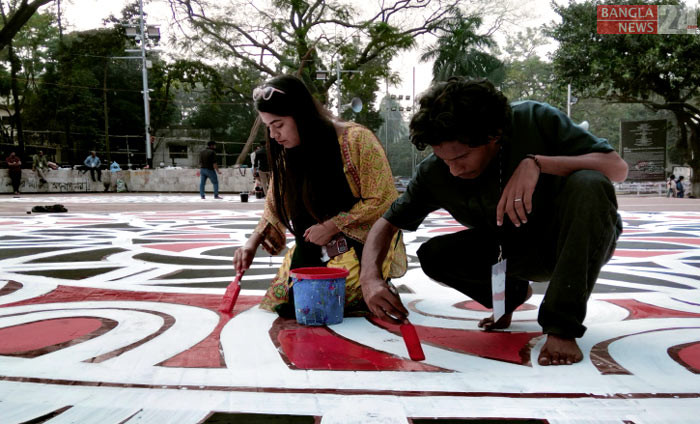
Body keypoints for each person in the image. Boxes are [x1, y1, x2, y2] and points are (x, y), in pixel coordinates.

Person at [359, 78, 628, 366]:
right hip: (512, 249)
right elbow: (386, 223)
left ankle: (562, 326)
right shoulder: (435, 174)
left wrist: (537, 163)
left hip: (574, 241)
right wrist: (370, 278)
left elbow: (616, 168)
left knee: (590, 182)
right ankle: (510, 296)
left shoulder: (533, 120)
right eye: (443, 158)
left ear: (494, 136)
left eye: (462, 157)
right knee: (435, 255)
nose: (454, 169)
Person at [233, 74, 407, 317]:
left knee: (327, 301)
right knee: (287, 303)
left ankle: (377, 279)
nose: (274, 136)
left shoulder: (355, 140)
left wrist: (333, 225)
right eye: (269, 127)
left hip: (360, 241)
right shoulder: (288, 154)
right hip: (313, 244)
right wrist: (252, 242)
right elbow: (274, 205)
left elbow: (384, 199)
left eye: (279, 125)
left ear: (301, 116)